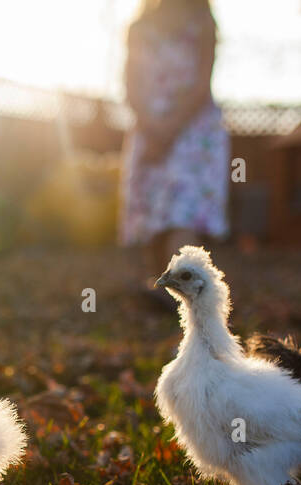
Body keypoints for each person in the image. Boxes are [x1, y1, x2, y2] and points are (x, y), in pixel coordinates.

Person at [120, 0, 229, 307]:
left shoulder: (201, 23)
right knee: (153, 211)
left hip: (194, 130)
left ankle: (185, 296)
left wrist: (170, 128)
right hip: (148, 127)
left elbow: (201, 86)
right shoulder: (139, 28)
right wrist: (151, 127)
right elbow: (130, 84)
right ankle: (163, 290)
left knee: (182, 209)